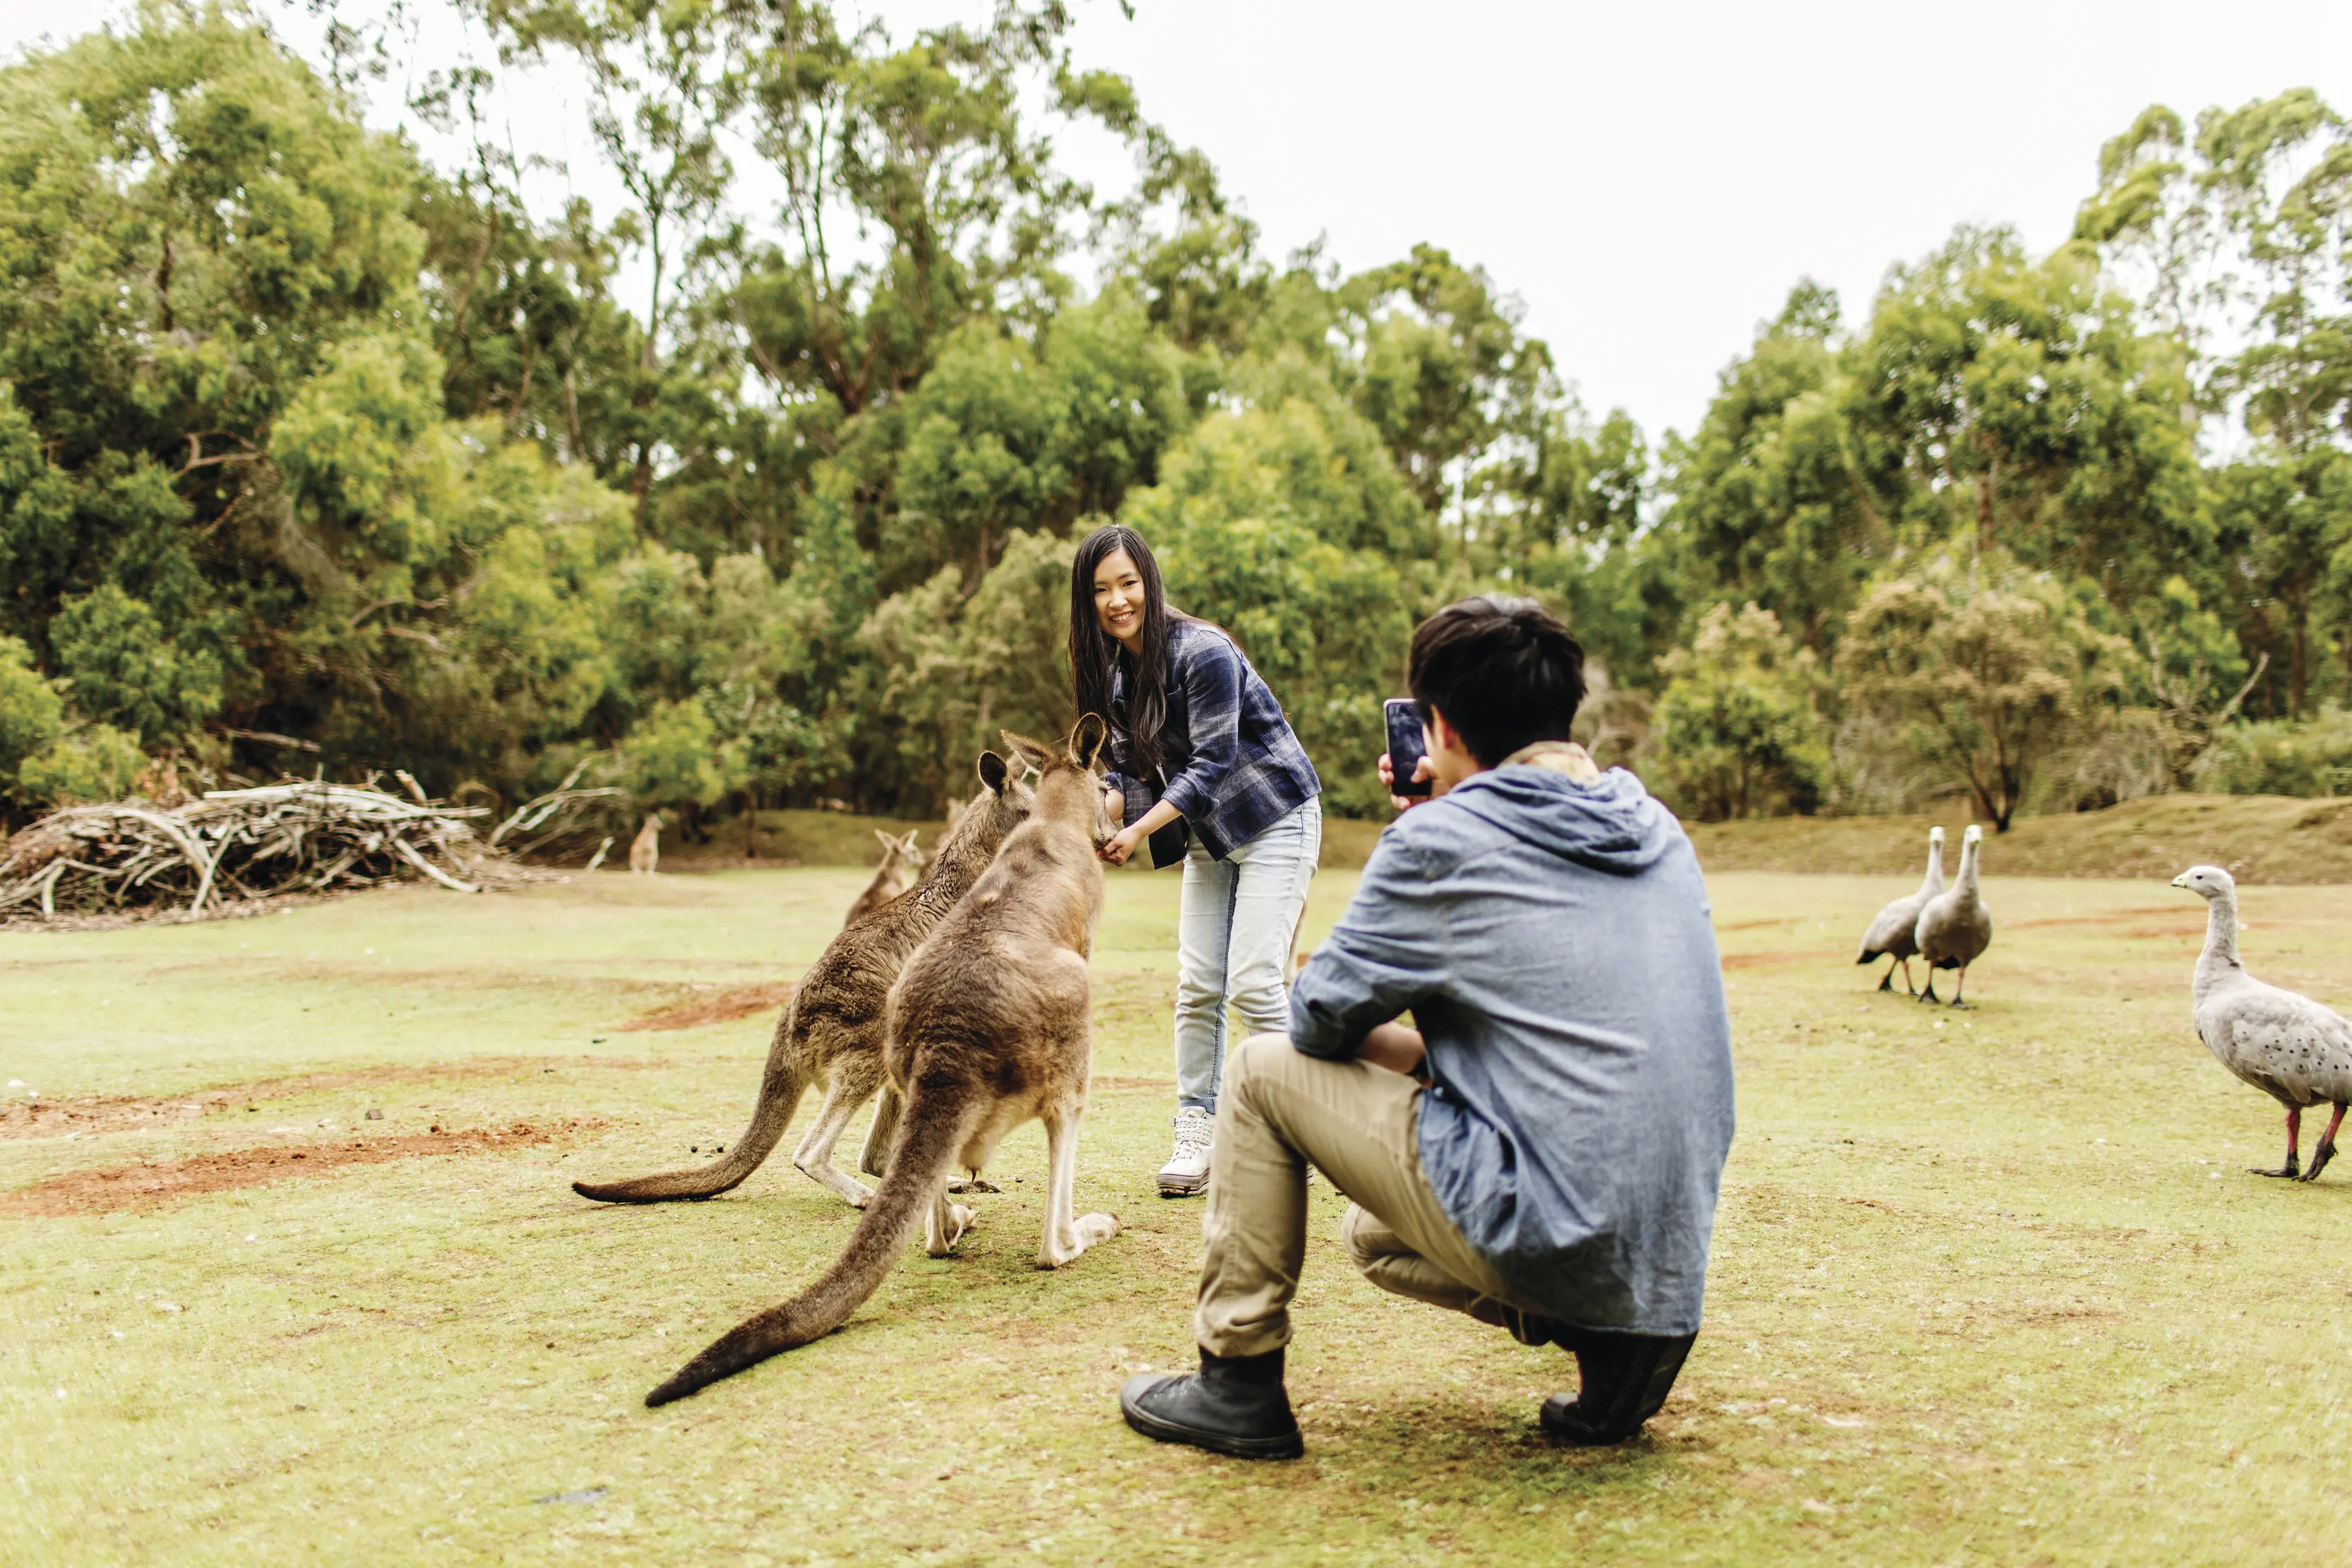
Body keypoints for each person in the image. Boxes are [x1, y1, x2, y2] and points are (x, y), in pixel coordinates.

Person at [1118, 595, 1736, 1459]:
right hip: (1665, 1258)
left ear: (1438, 727)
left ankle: (1237, 1379)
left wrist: (1425, 825)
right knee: (1375, 1234)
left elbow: (1318, 1020)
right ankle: (1616, 1345)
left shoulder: (1444, 838)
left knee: (1256, 1070)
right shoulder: (1654, 825)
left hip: (1548, 1219)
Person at [1070, 524, 1324, 1196]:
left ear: (1148, 581)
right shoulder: (1118, 677)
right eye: (1100, 589)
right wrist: (1096, 815)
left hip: (1275, 816)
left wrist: (1136, 832)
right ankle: (1196, 1128)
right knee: (1199, 985)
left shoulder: (1203, 651)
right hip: (1212, 834)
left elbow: (1210, 763)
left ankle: (1315, 1124)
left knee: (1253, 982)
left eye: (1127, 582)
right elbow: (1129, 777)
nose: (1116, 599)